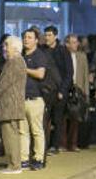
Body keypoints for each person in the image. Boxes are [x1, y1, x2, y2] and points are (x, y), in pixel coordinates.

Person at [0, 36, 26, 174]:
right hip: (13, 104)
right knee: (13, 134)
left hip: (9, 104)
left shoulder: (14, 62)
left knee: (10, 135)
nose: (4, 48)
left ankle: (14, 165)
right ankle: (14, 163)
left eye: (7, 45)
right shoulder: (19, 61)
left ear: (16, 48)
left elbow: (4, 83)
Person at [20, 29, 49, 170]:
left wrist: (24, 69)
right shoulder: (20, 55)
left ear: (36, 40)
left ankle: (38, 159)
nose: (26, 40)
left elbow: (40, 74)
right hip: (21, 99)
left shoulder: (39, 55)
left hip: (35, 99)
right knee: (22, 131)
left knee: (37, 131)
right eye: (25, 37)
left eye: (30, 37)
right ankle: (24, 159)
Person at [43, 26, 71, 154]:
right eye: (46, 35)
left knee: (57, 119)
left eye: (49, 35)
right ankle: (43, 146)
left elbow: (69, 72)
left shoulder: (63, 51)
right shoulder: (42, 50)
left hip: (59, 91)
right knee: (44, 119)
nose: (47, 38)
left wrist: (63, 90)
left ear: (55, 36)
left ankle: (55, 146)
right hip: (45, 90)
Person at [61, 33, 89, 152]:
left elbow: (85, 75)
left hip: (78, 90)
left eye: (76, 41)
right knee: (63, 118)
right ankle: (62, 144)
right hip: (65, 89)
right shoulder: (62, 55)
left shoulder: (82, 56)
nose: (76, 44)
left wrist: (86, 92)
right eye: (73, 42)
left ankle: (73, 144)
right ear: (67, 44)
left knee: (76, 118)